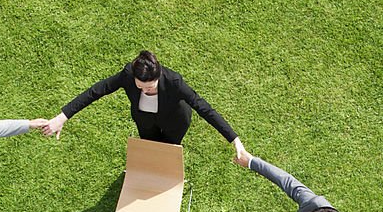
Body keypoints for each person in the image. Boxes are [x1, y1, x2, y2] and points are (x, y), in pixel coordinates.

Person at [36, 50, 247, 155]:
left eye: (151, 87)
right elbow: (96, 91)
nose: (146, 90)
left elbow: (204, 108)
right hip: (145, 121)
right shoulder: (128, 75)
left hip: (175, 121)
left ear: (159, 75)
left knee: (168, 152)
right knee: (149, 149)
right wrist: (62, 117)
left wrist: (234, 139)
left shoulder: (174, 82)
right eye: (141, 86)